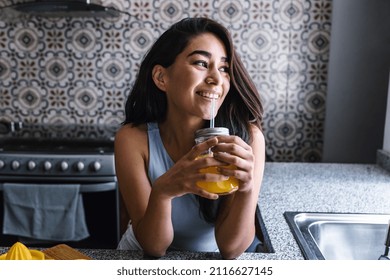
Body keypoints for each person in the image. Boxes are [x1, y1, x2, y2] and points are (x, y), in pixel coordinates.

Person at [115, 17, 265, 259]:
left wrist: (247, 189)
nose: (216, 78)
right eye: (201, 63)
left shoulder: (248, 140)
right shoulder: (133, 139)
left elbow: (231, 249)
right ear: (161, 78)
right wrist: (163, 191)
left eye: (224, 68)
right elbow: (154, 247)